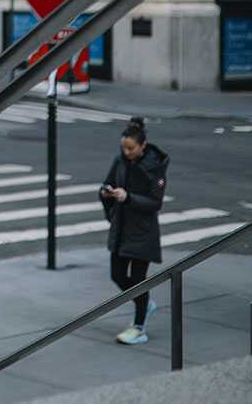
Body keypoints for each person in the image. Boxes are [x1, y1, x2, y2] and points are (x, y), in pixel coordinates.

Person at [99, 116, 168, 346]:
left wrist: (128, 198)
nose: (127, 152)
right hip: (121, 228)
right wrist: (106, 192)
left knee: (138, 281)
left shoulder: (154, 167)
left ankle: (139, 328)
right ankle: (144, 302)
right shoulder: (120, 160)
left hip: (142, 232)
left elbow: (155, 203)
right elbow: (107, 183)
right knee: (117, 275)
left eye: (131, 148)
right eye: (124, 148)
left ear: (143, 146)